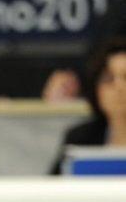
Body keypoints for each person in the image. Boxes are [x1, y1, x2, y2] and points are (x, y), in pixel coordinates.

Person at [50, 36, 126, 173]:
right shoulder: (80, 139)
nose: (119, 87)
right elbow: (52, 190)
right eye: (108, 79)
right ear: (96, 89)